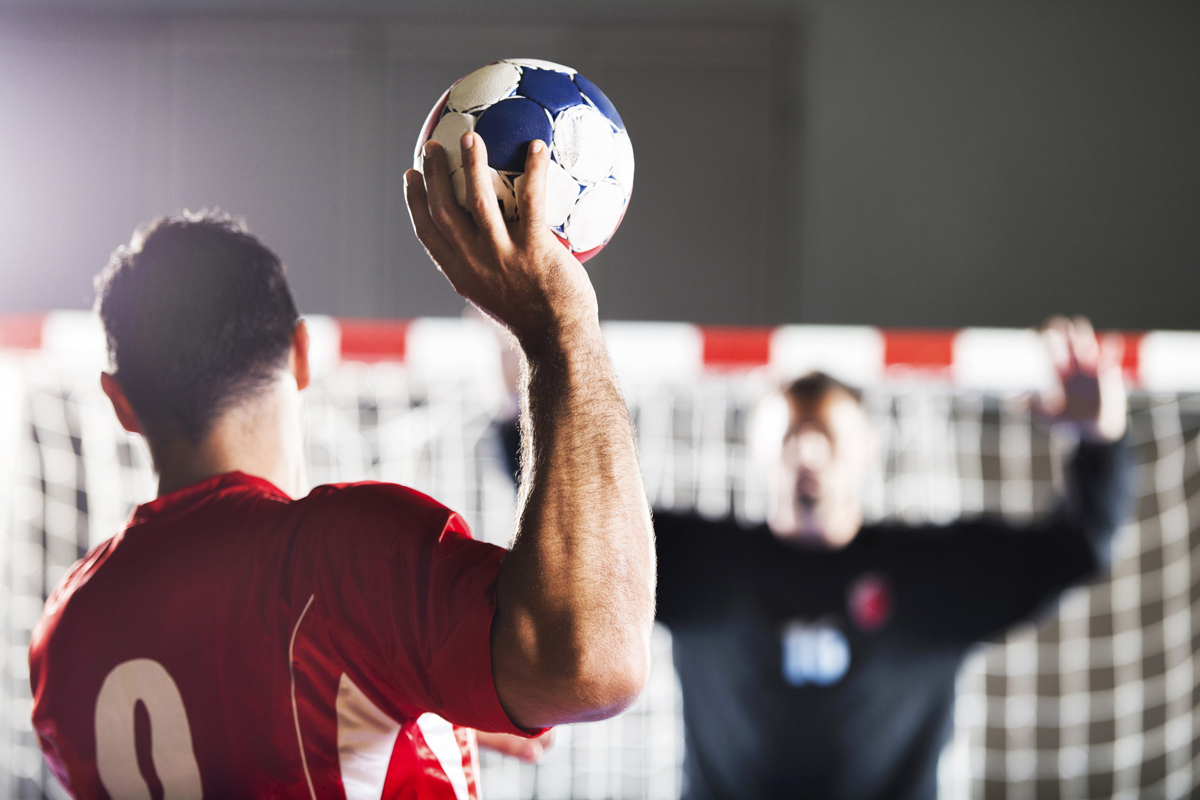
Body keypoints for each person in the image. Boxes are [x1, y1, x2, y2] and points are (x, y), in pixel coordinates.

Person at [29, 132, 654, 798]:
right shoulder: (338, 563)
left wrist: (418, 678)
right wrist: (559, 325)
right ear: (303, 354)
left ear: (120, 402)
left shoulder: (64, 635)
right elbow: (594, 662)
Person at [651, 317, 1133, 800]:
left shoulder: (931, 576)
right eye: (791, 435)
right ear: (759, 448)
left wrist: (1101, 443)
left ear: (866, 448)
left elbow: (1077, 546)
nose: (810, 452)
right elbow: (581, 542)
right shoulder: (699, 562)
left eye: (826, 433)